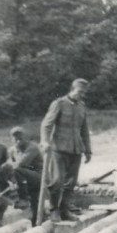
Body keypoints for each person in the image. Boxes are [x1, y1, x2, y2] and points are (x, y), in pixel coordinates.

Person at [40, 78, 92, 222]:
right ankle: (54, 210)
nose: (81, 95)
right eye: (79, 92)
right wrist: (44, 141)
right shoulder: (59, 104)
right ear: (72, 89)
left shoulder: (82, 106)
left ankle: (64, 210)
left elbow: (84, 130)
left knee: (71, 182)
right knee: (57, 181)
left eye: (84, 93)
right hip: (59, 149)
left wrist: (88, 150)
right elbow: (46, 125)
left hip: (76, 149)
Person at [6, 126, 43, 222]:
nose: (18, 140)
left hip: (38, 176)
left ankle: (23, 198)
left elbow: (20, 164)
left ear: (25, 137)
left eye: (20, 137)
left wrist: (10, 165)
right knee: (35, 206)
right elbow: (7, 164)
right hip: (25, 177)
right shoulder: (11, 150)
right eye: (15, 138)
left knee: (16, 169)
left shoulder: (32, 147)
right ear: (12, 139)